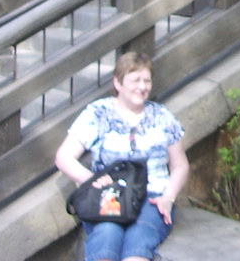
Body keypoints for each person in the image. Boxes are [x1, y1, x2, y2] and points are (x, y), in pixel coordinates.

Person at [55, 52, 189, 261]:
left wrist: (168, 197)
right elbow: (64, 157)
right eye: (135, 80)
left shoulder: (163, 117)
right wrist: (91, 179)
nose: (142, 86)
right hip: (109, 196)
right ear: (118, 83)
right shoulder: (98, 113)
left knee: (138, 242)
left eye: (147, 81)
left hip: (153, 197)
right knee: (107, 236)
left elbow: (180, 165)